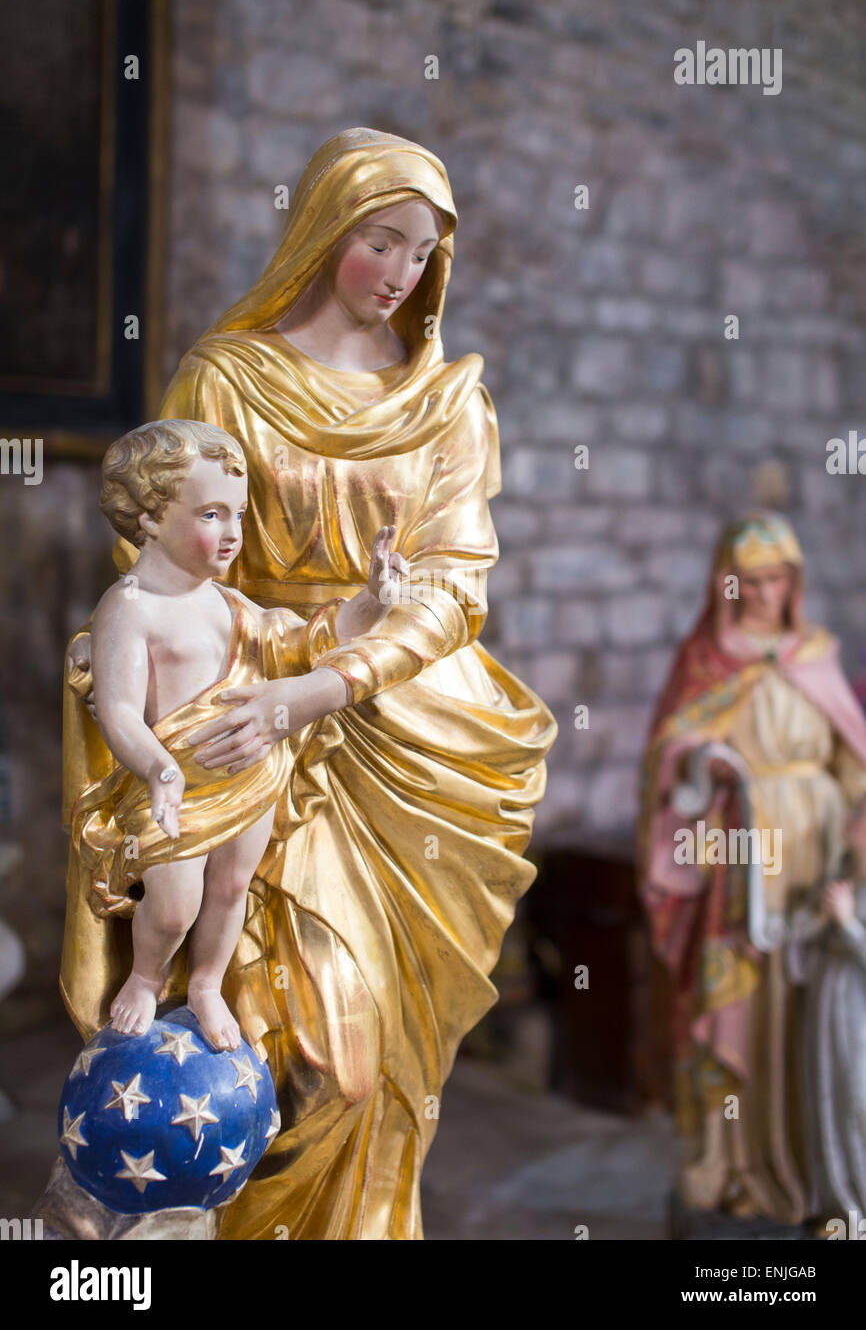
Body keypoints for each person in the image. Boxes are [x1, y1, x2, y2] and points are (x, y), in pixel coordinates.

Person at [61, 127, 558, 1239]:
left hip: (399, 736)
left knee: (369, 1061)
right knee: (266, 1041)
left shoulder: (447, 404)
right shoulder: (226, 376)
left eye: (420, 254)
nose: (396, 274)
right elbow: (158, 564)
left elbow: (450, 588)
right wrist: (259, 671)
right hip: (239, 719)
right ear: (325, 227)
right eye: (377, 240)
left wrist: (325, 683)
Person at [85, 416, 403, 1051]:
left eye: (237, 514)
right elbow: (118, 711)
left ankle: (205, 982)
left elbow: (305, 640)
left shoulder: (231, 606)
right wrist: (159, 771)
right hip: (174, 784)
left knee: (231, 889)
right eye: (210, 514)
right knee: (174, 904)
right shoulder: (129, 608)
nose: (232, 533)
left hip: (250, 773)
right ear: (148, 517)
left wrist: (371, 604)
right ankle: (145, 978)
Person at [638, 511, 866, 1226]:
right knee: (735, 1003)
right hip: (738, 856)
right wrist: (703, 765)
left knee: (808, 1009)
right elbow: (665, 763)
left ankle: (803, 1164)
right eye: (753, 580)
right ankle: (728, 1164)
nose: (766, 593)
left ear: (794, 582)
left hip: (813, 857)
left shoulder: (816, 654)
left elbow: (851, 761)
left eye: (778, 580)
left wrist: (855, 828)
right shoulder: (707, 658)